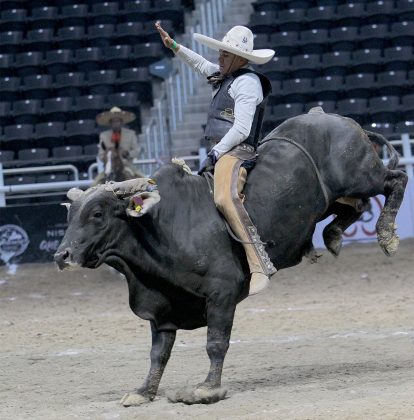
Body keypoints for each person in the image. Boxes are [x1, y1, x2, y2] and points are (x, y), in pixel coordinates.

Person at [156, 22, 277, 295]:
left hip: (237, 151)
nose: (219, 58)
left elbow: (242, 130)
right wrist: (174, 47)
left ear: (239, 58)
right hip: (222, 151)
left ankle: (258, 262)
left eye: (224, 54)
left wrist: (216, 152)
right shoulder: (227, 77)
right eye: (220, 53)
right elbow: (200, 65)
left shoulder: (247, 83)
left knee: (224, 198)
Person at [95, 106, 144, 183]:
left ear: (121, 122)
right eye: (113, 121)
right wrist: (108, 155)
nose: (116, 124)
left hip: (128, 166)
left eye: (117, 121)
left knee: (145, 181)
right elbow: (101, 154)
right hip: (109, 168)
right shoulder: (103, 136)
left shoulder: (131, 134)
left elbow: (136, 150)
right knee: (94, 184)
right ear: (110, 123)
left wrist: (127, 154)